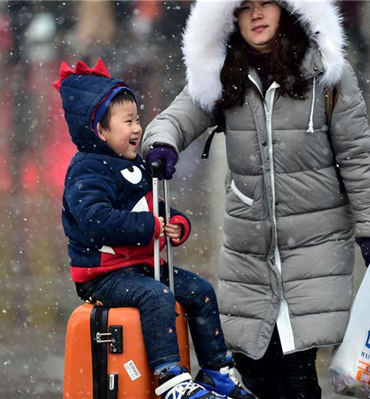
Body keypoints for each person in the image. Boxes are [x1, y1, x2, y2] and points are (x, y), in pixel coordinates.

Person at [142, 1, 370, 398]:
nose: (256, 16)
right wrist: (163, 145)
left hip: (315, 244)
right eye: (245, 8)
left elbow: (358, 156)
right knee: (254, 366)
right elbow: (174, 118)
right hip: (249, 248)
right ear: (230, 18)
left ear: (287, 10)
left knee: (298, 371)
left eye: (266, 5)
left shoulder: (323, 73)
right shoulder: (224, 75)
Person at [54, 59, 254, 399]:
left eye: (137, 119)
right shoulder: (87, 170)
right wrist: (150, 227)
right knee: (157, 296)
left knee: (200, 291)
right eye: (127, 121)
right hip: (104, 275)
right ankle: (170, 377)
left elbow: (154, 209)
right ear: (99, 131)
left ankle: (216, 369)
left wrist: (176, 223)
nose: (137, 128)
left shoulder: (134, 165)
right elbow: (95, 221)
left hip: (140, 266)